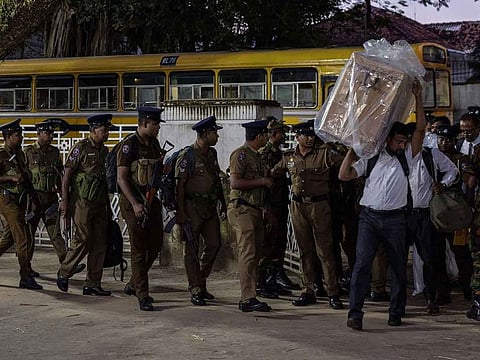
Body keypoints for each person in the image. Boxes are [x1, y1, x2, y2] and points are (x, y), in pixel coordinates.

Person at [339, 80, 425, 330]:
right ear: (388, 140)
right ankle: (355, 314)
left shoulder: (408, 155)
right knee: (362, 265)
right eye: (398, 141)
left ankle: (396, 313)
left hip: (396, 219)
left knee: (398, 268)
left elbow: (420, 129)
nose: (402, 145)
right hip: (370, 219)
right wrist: (352, 150)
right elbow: (344, 175)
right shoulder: (371, 157)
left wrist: (418, 98)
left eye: (404, 141)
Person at [273, 120, 344, 309]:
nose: (311, 139)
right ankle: (308, 289)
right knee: (305, 250)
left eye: (312, 135)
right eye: (306, 135)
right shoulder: (289, 156)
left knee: (325, 250)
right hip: (298, 206)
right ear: (297, 137)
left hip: (319, 205)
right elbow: (274, 172)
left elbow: (346, 164)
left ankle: (332, 292)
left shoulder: (325, 153)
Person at [0, 119, 85, 277]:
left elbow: (60, 174)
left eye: (52, 133)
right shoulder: (27, 152)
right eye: (47, 133)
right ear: (39, 134)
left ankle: (66, 265)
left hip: (49, 198)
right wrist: (14, 181)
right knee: (27, 235)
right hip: (30, 199)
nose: (51, 136)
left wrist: (62, 195)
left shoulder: (54, 152)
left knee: (55, 233)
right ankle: (27, 269)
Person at [56, 114, 113, 296]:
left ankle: (92, 283)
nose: (106, 134)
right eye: (104, 131)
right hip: (82, 203)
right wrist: (64, 201)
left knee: (100, 244)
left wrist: (109, 206)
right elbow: (66, 176)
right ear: (93, 130)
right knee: (83, 238)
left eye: (107, 130)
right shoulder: (80, 148)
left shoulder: (105, 151)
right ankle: (64, 271)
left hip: (100, 203)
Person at [406, 123, 458, 314]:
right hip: (403, 214)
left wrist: (442, 184)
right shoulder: (399, 156)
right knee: (398, 257)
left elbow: (452, 170)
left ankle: (431, 297)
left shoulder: (432, 154)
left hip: (426, 214)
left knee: (430, 258)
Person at [117, 106, 166, 311]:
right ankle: (142, 294)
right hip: (133, 201)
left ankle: (133, 283)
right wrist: (135, 204)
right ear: (144, 123)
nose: (157, 128)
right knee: (138, 249)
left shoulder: (153, 143)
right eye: (155, 124)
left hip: (151, 199)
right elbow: (122, 178)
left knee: (155, 245)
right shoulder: (129, 146)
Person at [175, 115, 227, 306]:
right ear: (205, 134)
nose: (217, 136)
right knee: (191, 248)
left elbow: (216, 180)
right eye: (215, 132)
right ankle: (195, 287)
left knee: (214, 244)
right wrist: (180, 212)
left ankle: (201, 279)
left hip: (209, 207)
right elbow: (179, 186)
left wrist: (222, 202)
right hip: (192, 207)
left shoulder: (211, 154)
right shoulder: (187, 156)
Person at [227, 119, 273, 312]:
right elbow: (235, 183)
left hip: (255, 209)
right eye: (265, 135)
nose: (267, 139)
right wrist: (262, 181)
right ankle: (247, 298)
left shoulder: (258, 156)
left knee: (255, 253)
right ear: (259, 136)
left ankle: (252, 292)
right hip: (242, 208)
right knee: (248, 252)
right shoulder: (241, 155)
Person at [257, 116, 300, 296]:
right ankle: (265, 279)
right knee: (269, 243)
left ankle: (276, 275)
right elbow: (267, 179)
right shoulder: (265, 154)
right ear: (273, 134)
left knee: (280, 241)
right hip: (270, 204)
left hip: (280, 202)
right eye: (281, 132)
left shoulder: (279, 153)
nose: (284, 135)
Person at [0, 119, 42, 290]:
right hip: (7, 199)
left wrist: (33, 198)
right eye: (18, 135)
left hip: (20, 199)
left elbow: (26, 177)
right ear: (8, 137)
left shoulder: (20, 154)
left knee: (9, 237)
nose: (21, 138)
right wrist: (11, 178)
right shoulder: (1, 155)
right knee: (22, 237)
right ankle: (25, 277)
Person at [435, 125, 475, 304]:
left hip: (456, 211)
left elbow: (469, 181)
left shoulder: (461, 159)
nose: (444, 142)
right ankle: (443, 291)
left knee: (461, 252)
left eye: (448, 139)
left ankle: (468, 288)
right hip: (436, 210)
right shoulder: (432, 157)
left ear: (454, 140)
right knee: (436, 253)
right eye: (441, 139)